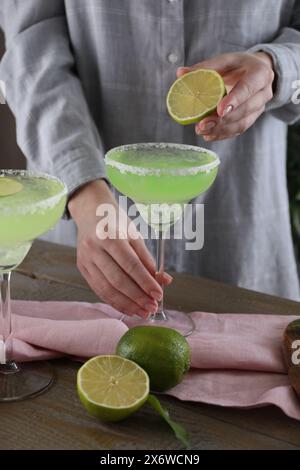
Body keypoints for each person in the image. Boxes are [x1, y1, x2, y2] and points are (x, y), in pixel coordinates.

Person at [0, 1, 299, 318]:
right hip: (83, 238)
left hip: (244, 243)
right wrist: (86, 196)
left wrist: (276, 69)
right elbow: (30, 51)